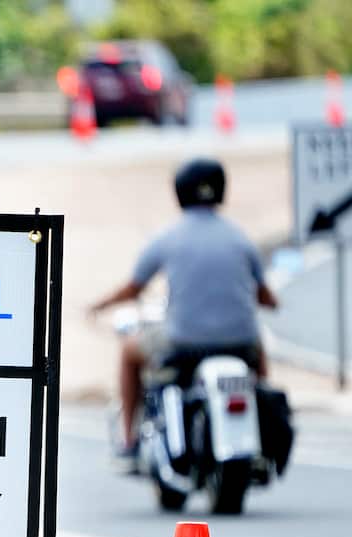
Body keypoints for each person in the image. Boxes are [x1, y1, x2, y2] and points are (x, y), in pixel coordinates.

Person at [89, 157, 279, 454]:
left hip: (183, 342)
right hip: (240, 343)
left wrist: (99, 305)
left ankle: (128, 437)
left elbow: (133, 287)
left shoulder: (168, 237)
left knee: (129, 350)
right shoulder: (241, 239)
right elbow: (266, 297)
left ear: (179, 193)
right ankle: (263, 419)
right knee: (258, 349)